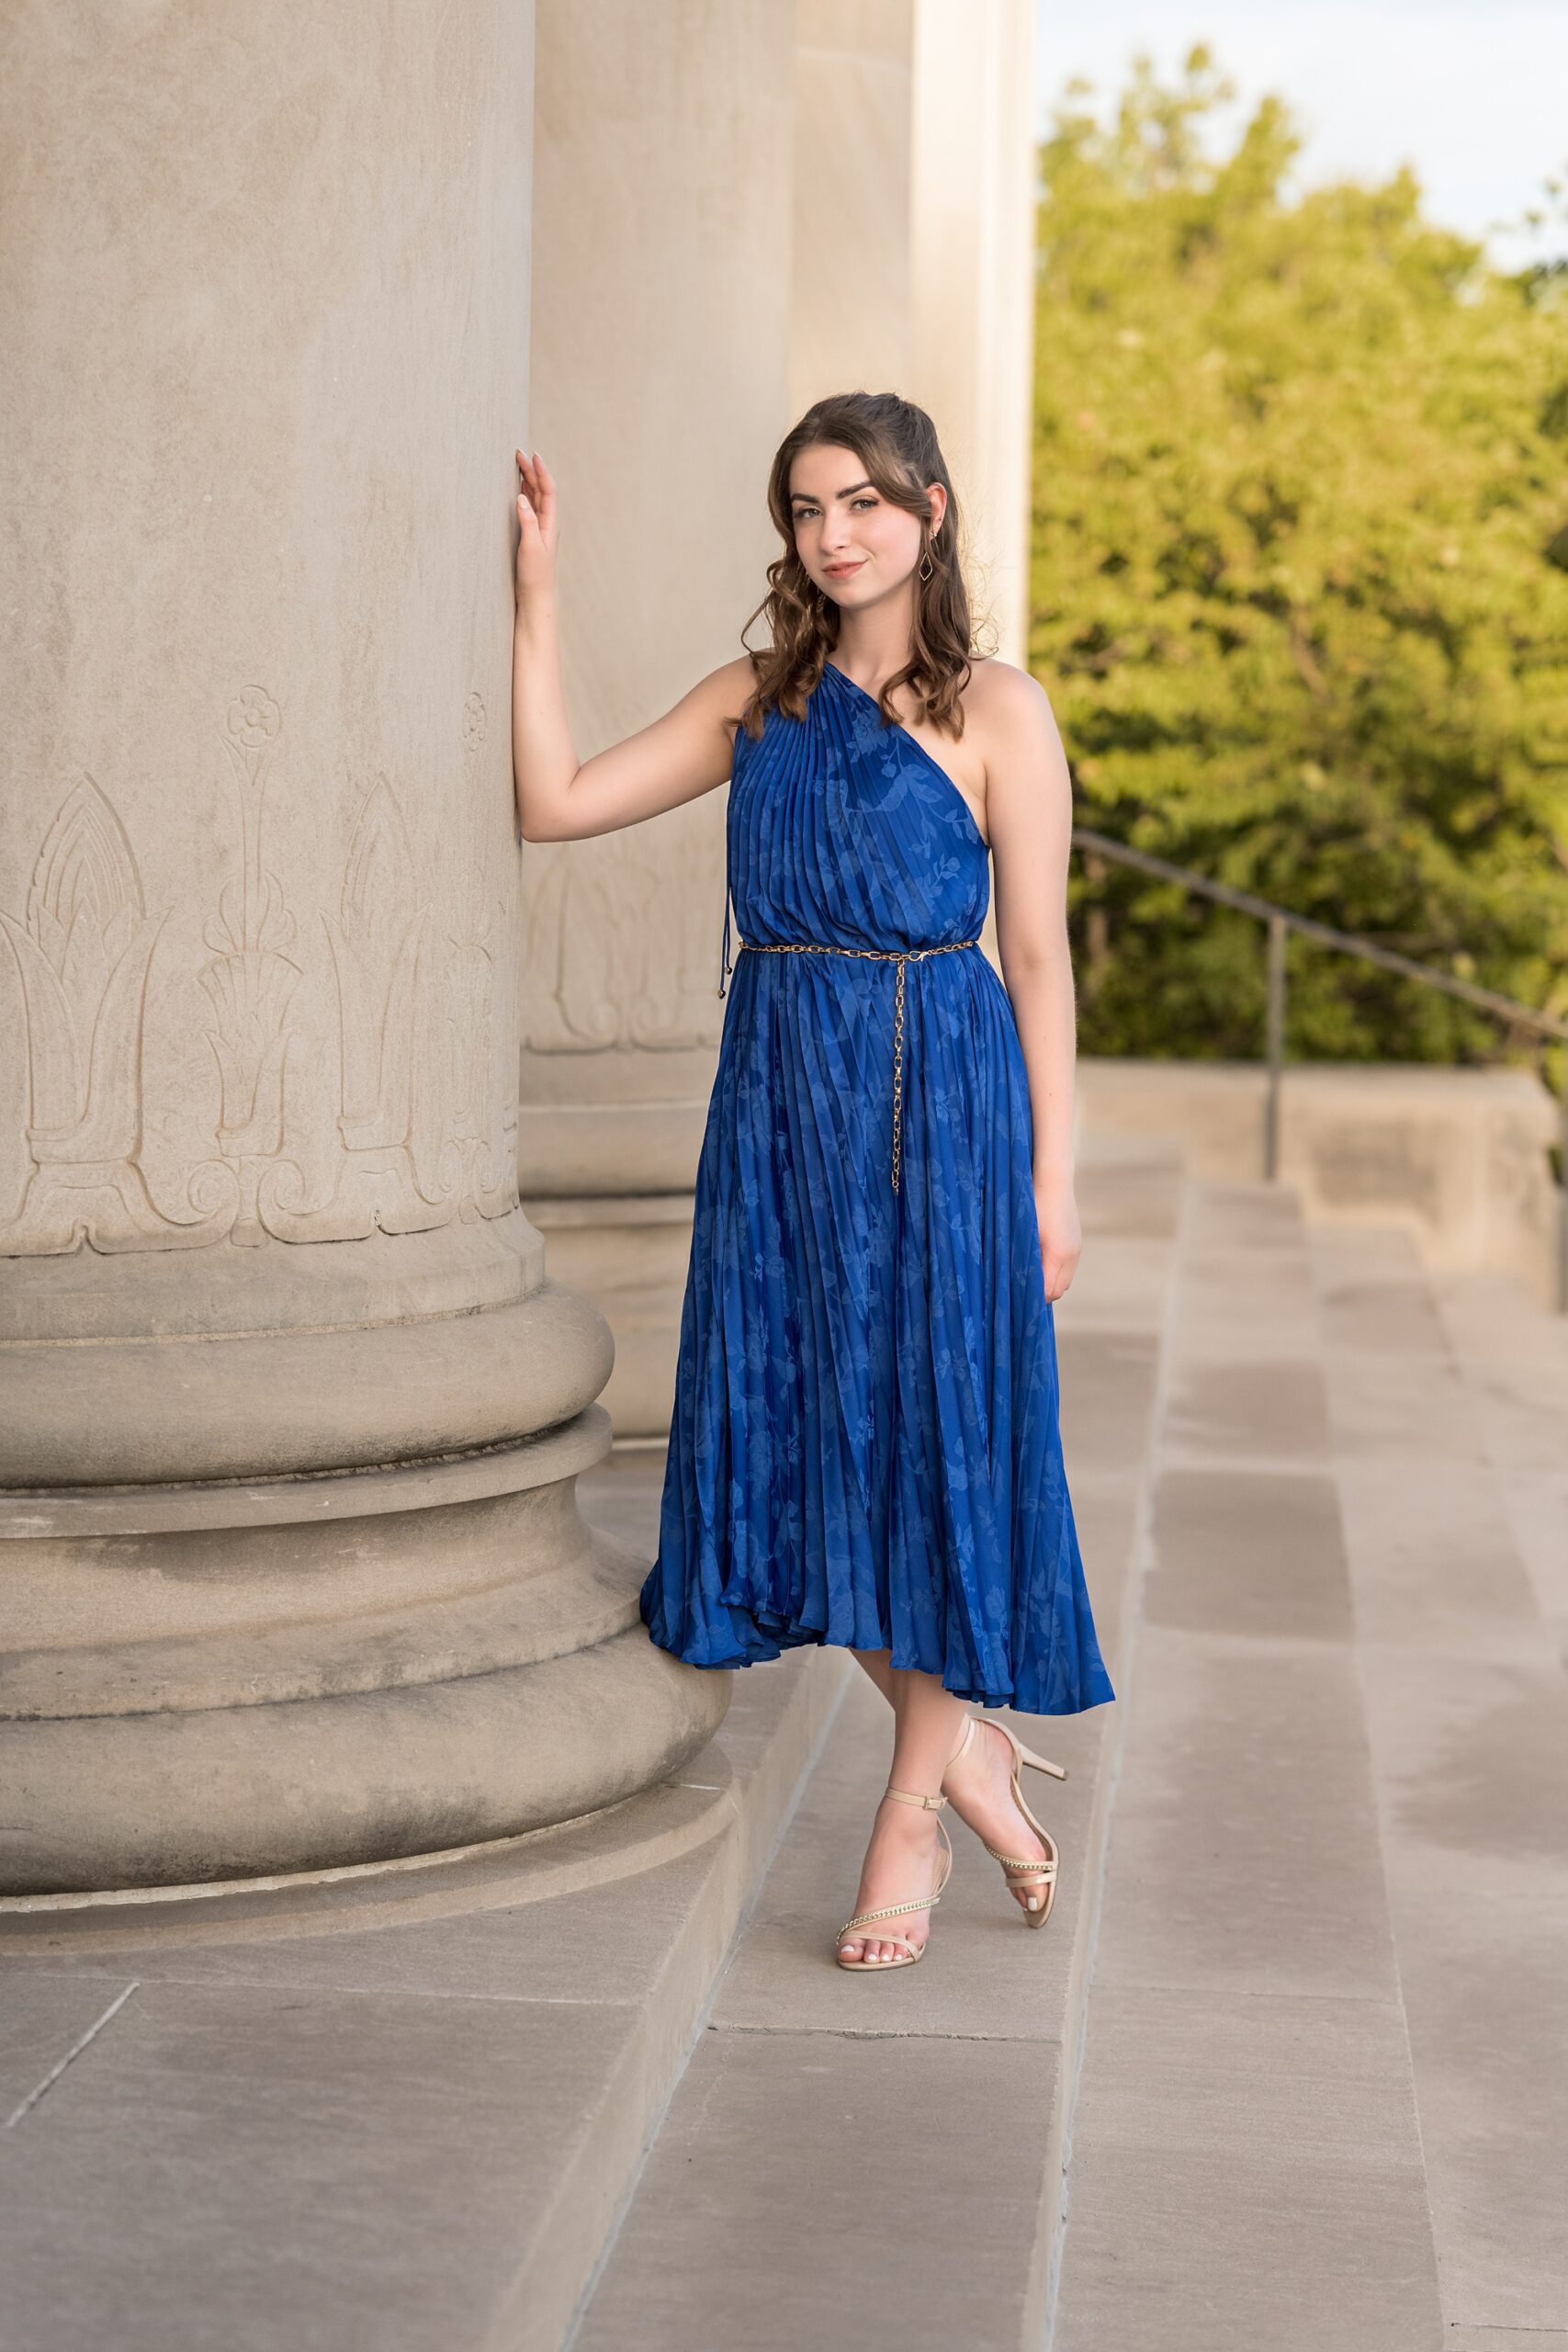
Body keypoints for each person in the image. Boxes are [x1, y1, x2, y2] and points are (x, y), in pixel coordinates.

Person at [512, 390, 1113, 1975]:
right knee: (794, 1453)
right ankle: (968, 1755)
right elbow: (552, 800)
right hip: (781, 1104)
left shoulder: (999, 709)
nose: (831, 535)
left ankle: (908, 1812)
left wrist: (1057, 1179)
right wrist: (538, 598)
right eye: (802, 509)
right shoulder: (757, 701)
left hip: (945, 1106)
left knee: (927, 1450)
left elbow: (1040, 962)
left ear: (927, 512)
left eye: (859, 503)